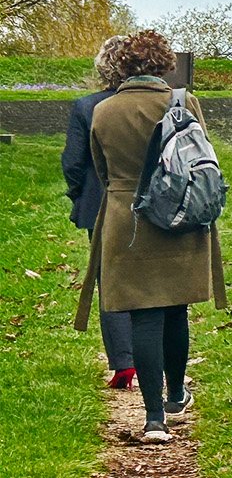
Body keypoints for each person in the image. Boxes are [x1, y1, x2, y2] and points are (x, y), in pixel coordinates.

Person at [73, 30, 226, 445]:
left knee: (144, 315)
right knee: (176, 312)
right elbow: (200, 157)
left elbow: (101, 172)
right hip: (179, 217)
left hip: (128, 221)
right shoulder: (184, 102)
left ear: (118, 66)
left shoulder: (104, 111)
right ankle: (176, 396)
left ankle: (153, 419)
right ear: (163, 63)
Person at [63, 36, 136, 390]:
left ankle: (124, 364)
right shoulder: (158, 104)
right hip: (148, 201)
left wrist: (80, 195)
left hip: (101, 203)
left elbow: (73, 163)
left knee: (110, 280)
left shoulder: (86, 106)